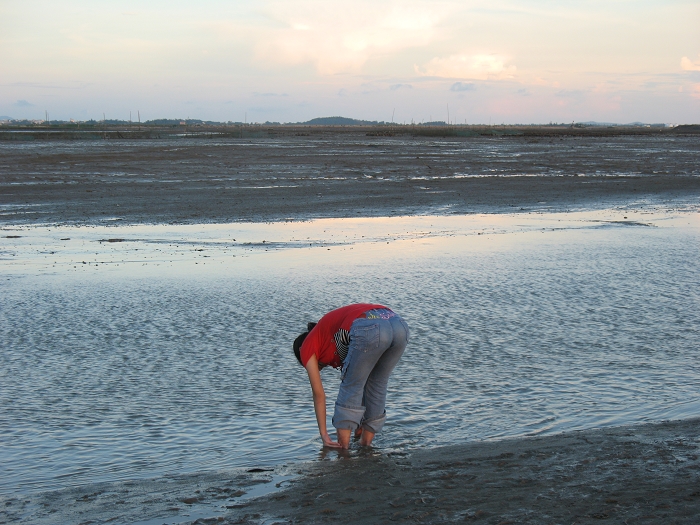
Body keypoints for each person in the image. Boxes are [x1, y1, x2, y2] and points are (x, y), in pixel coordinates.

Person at [293, 303, 409, 449]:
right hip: (398, 325)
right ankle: (365, 445)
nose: (316, 369)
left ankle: (343, 451)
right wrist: (358, 426)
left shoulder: (306, 346)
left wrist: (324, 434)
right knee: (377, 383)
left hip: (370, 325)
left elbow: (319, 395)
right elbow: (362, 382)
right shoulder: (331, 337)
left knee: (350, 385)